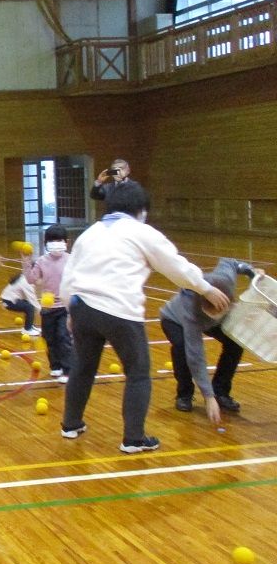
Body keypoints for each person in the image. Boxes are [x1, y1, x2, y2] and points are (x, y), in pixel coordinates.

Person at [59, 182, 230, 453]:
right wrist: (206, 288)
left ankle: (70, 424)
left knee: (82, 367)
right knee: (138, 373)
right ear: (140, 209)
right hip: (119, 311)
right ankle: (134, 439)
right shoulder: (141, 232)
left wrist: (71, 310)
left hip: (83, 308)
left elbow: (69, 276)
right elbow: (176, 267)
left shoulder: (89, 234)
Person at [160, 258, 261, 417]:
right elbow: (196, 356)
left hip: (209, 319)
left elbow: (229, 263)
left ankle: (221, 391)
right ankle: (184, 394)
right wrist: (208, 396)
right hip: (174, 319)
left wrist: (250, 271)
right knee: (183, 349)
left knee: (235, 343)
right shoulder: (191, 315)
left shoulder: (225, 280)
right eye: (213, 315)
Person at [22, 224, 76, 384]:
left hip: (65, 307)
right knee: (50, 338)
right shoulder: (41, 261)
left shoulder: (71, 259)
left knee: (63, 337)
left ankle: (68, 369)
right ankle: (55, 365)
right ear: (46, 243)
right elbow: (31, 279)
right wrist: (26, 263)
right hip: (47, 308)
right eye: (52, 240)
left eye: (59, 240)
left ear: (66, 242)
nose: (56, 243)